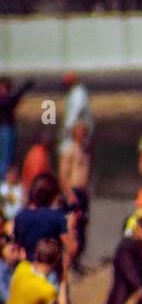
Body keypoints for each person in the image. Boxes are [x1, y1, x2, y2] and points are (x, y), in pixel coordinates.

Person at [13, 173, 76, 262]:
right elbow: (72, 248)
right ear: (53, 195)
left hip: (24, 268)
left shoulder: (20, 216)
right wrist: (70, 226)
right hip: (47, 269)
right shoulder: (57, 218)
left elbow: (16, 246)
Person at [58, 120, 92, 273]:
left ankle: (78, 259)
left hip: (83, 192)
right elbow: (63, 175)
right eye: (80, 132)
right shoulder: (70, 150)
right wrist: (69, 194)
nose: (82, 135)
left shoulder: (84, 150)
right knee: (74, 227)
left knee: (83, 225)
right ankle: (71, 261)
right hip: (73, 192)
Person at [0, 77, 34, 174]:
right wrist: (25, 88)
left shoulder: (7, 99)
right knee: (5, 156)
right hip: (6, 130)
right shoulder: (4, 100)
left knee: (8, 156)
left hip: (8, 129)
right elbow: (10, 101)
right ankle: (3, 177)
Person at [61, 72, 92, 143]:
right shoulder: (76, 92)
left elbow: (76, 111)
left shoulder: (78, 93)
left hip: (78, 127)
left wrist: (68, 126)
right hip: (76, 127)